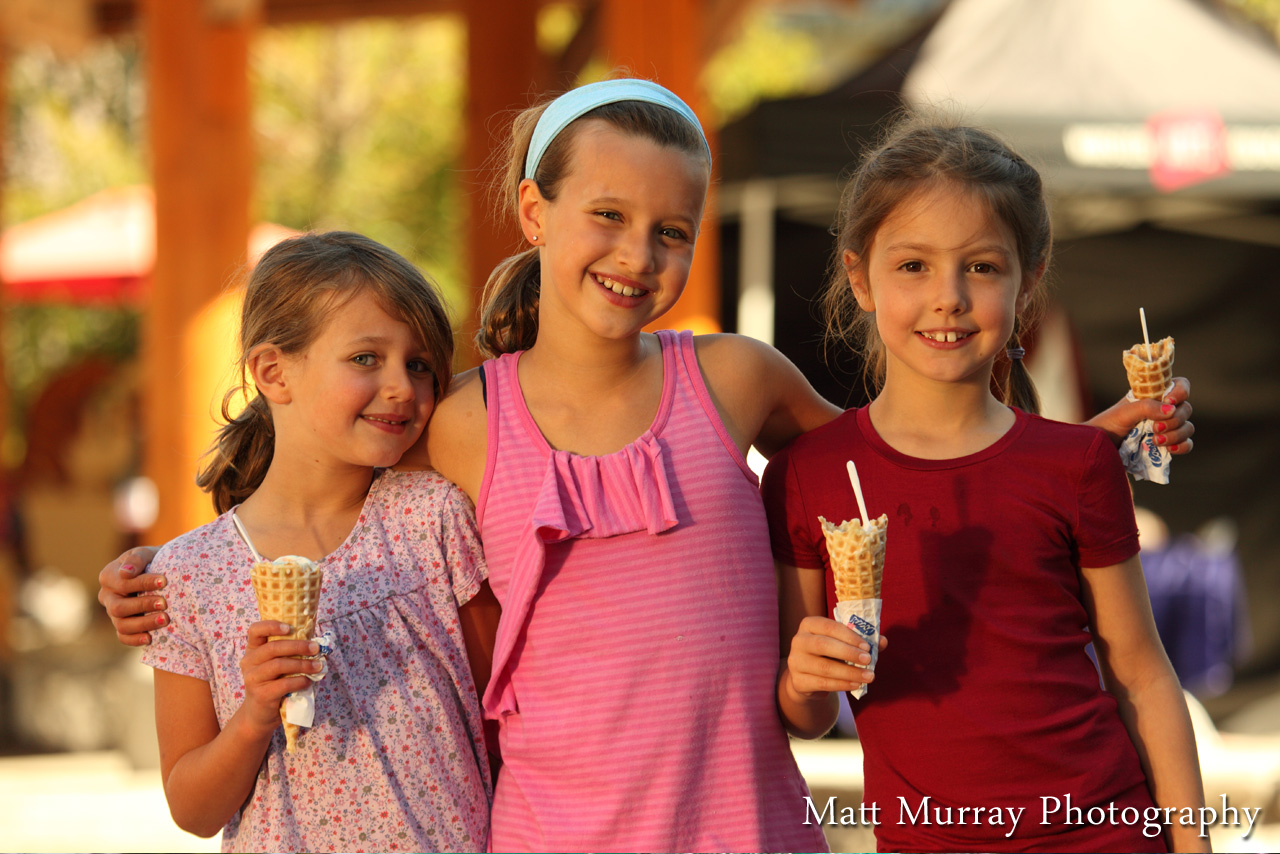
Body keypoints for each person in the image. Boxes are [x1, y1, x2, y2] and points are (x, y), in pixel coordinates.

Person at [99, 82, 1195, 852]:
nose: (637, 254)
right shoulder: (467, 420)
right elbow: (334, 493)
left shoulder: (736, 379)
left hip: (745, 823)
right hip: (549, 833)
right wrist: (173, 566)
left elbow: (911, 460)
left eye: (672, 230)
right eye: (607, 217)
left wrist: (1094, 437)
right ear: (536, 212)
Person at [762, 115, 1208, 853]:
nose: (948, 297)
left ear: (1026, 281)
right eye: (913, 266)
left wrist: (1195, 846)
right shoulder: (808, 476)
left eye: (982, 267)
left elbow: (1143, 674)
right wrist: (805, 679)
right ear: (858, 278)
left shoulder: (1080, 463)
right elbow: (803, 714)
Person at [138, 231, 497, 852]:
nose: (402, 387)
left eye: (420, 364)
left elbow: (503, 717)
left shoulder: (435, 519)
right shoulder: (188, 575)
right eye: (366, 358)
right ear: (273, 372)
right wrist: (253, 716)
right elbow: (192, 809)